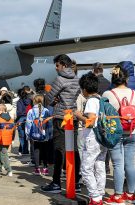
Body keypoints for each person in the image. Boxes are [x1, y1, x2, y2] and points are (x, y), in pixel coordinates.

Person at [41, 54, 81, 193]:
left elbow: (49, 98)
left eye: (57, 65)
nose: (56, 68)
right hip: (73, 117)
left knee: (59, 149)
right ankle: (75, 182)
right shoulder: (77, 79)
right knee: (74, 150)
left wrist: (54, 99)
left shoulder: (60, 79)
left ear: (63, 65)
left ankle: (56, 182)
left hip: (60, 117)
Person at [102, 65, 135, 204]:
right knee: (129, 163)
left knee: (118, 164)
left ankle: (118, 196)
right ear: (127, 78)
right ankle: (131, 195)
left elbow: (104, 114)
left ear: (113, 78)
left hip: (116, 132)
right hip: (133, 131)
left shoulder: (107, 94)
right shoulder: (134, 94)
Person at [75, 72, 107, 205]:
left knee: (86, 168)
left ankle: (95, 197)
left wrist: (78, 115)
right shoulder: (102, 99)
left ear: (85, 89)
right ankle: (100, 193)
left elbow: (90, 121)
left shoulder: (91, 101)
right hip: (103, 137)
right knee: (100, 165)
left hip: (93, 137)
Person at [92, 62, 112, 174]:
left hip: (96, 115)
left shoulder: (94, 83)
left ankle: (98, 166)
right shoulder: (109, 83)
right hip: (107, 114)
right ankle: (106, 166)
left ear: (94, 70)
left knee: (96, 141)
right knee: (106, 141)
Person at [25, 95, 51, 176]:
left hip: (34, 134)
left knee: (36, 150)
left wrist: (28, 134)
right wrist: (49, 134)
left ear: (34, 101)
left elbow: (28, 124)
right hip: (44, 134)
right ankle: (45, 169)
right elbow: (49, 123)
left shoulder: (30, 111)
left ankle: (37, 169)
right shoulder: (46, 110)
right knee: (45, 151)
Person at [0, 104, 14, 177]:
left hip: (1, 139)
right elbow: (13, 129)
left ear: (2, 110)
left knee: (2, 155)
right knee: (2, 154)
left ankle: (9, 170)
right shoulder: (11, 119)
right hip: (8, 138)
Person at [16, 88, 31, 155]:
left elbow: (19, 112)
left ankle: (25, 151)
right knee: (28, 135)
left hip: (21, 119)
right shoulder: (30, 100)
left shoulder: (19, 101)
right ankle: (25, 149)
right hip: (29, 118)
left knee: (22, 136)